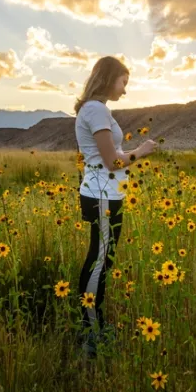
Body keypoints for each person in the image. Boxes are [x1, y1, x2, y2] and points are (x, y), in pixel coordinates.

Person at [74, 56, 157, 357]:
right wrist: (141, 151)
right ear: (109, 79)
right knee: (98, 261)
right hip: (102, 195)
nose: (125, 90)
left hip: (107, 193)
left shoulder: (96, 110)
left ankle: (95, 325)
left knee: (102, 260)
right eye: (124, 82)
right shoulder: (96, 110)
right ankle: (91, 336)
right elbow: (113, 161)